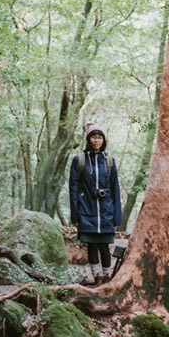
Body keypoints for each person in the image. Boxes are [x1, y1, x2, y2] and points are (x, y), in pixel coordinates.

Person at [69, 122, 121, 286]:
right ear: (88, 139)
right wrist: (75, 216)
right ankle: (97, 276)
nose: (96, 140)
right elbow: (73, 189)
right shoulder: (79, 160)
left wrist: (117, 217)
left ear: (103, 140)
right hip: (87, 209)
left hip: (106, 210)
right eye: (93, 136)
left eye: (99, 137)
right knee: (91, 245)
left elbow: (115, 189)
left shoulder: (109, 161)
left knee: (105, 245)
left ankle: (107, 276)